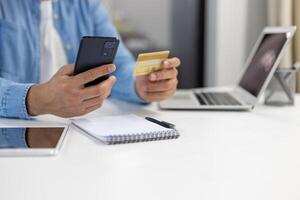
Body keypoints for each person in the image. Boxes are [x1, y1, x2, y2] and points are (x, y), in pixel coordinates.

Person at [0, 0, 180, 120]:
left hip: (82, 133)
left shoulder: (86, 4)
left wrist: (139, 85)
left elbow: (118, 64)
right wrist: (37, 99)